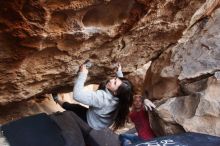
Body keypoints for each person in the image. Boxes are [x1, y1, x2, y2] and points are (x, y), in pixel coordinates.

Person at [52, 63, 134, 131]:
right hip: (103, 121)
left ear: (116, 93)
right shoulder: (123, 97)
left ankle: (57, 99)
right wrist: (119, 72)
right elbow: (122, 87)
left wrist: (82, 74)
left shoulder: (102, 98)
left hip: (93, 122)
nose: (111, 80)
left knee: (73, 107)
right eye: (115, 79)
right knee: (103, 85)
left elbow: (77, 95)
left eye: (115, 82)